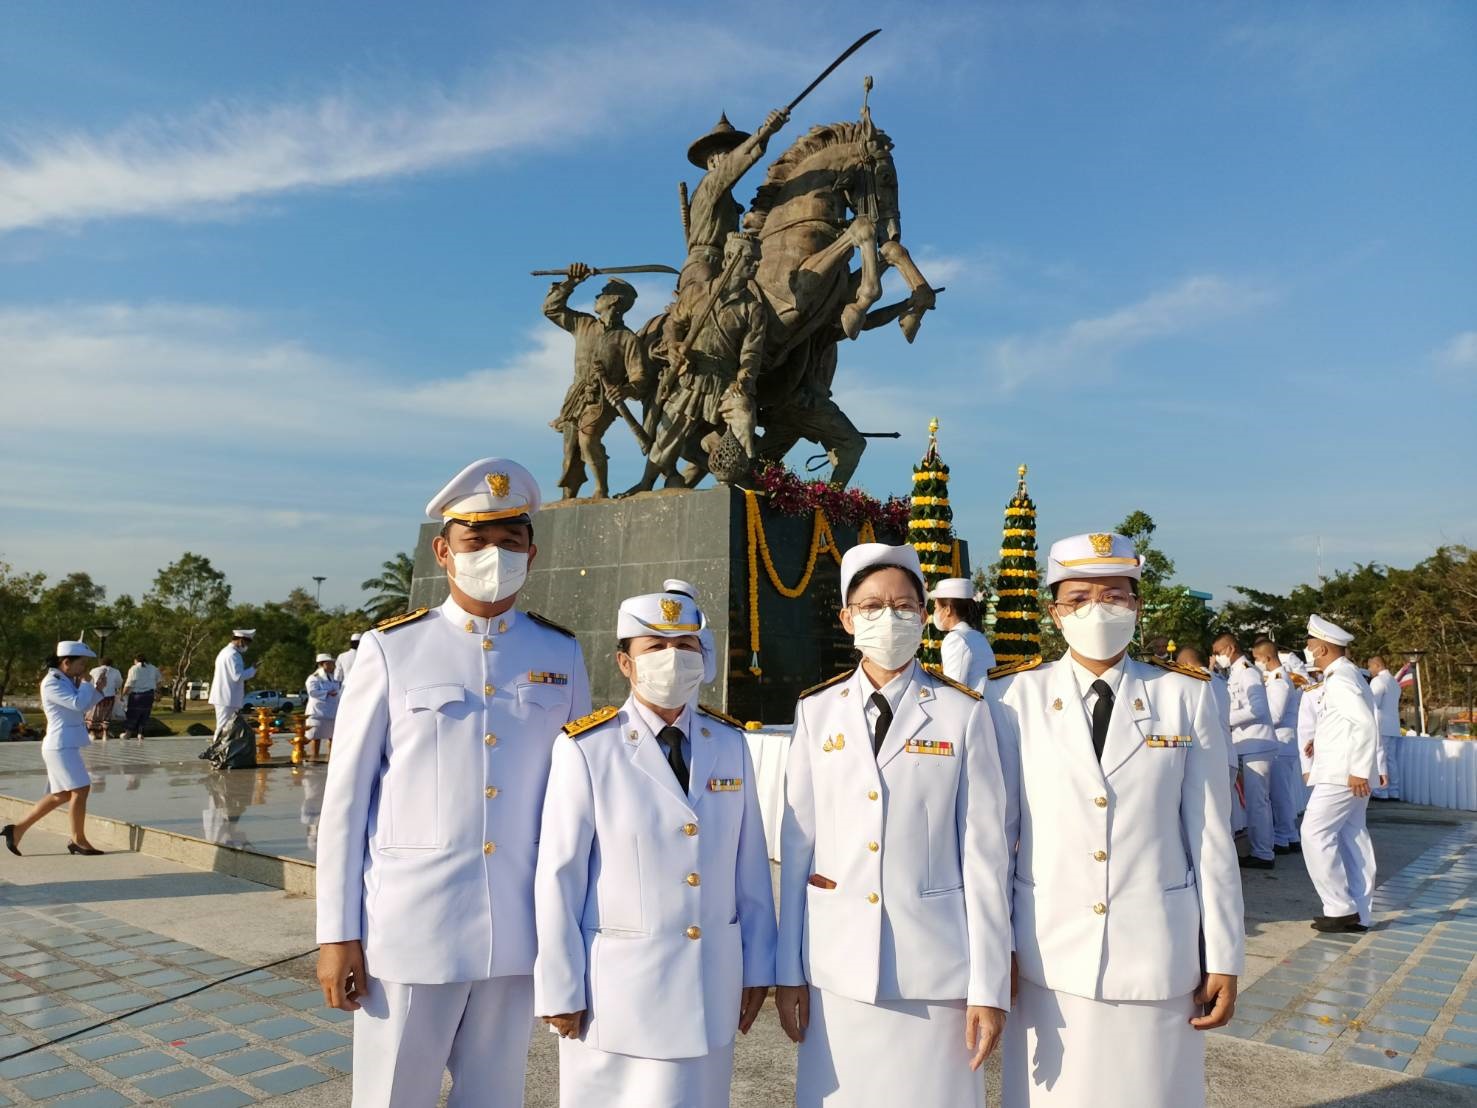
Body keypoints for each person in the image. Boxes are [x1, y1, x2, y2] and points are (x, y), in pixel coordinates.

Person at [315, 457, 592, 1108]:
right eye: (477, 539)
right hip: (411, 930)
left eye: (510, 539)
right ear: (443, 550)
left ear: (531, 550)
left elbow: (580, 800)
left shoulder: (559, 654)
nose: (494, 553)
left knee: (495, 1097)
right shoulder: (391, 650)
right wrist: (336, 934)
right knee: (393, 1097)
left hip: (519, 929)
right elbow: (346, 805)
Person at [988, 533, 1243, 1108]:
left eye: (1114, 595)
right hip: (1045, 952)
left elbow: (1210, 837)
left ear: (1137, 606)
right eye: (1077, 598)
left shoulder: (1186, 696)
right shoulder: (1010, 698)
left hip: (1156, 951)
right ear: (1054, 612)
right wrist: (994, 945)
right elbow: (996, 839)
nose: (1096, 608)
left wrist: (1224, 954)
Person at [776, 542, 1012, 1108]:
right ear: (847, 618)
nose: (890, 616)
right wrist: (789, 971)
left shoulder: (962, 711)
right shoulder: (817, 709)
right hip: (838, 967)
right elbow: (797, 845)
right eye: (873, 604)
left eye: (905, 605)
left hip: (935, 970)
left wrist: (988, 986)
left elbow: (985, 856)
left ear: (926, 614)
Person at [535, 590, 776, 1107]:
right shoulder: (587, 747)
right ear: (626, 662)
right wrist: (559, 986)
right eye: (655, 646)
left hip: (708, 987)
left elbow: (749, 866)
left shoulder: (728, 742)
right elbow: (560, 875)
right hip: (619, 996)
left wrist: (758, 966)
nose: (673, 657)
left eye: (685, 644)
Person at [544, 265, 652, 500]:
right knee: (571, 453)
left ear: (614, 300)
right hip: (576, 399)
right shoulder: (584, 324)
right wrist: (572, 281)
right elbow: (551, 309)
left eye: (602, 293)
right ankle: (568, 498)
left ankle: (600, 489)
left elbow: (640, 378)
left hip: (603, 401)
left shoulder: (628, 338)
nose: (597, 297)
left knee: (588, 438)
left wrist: (623, 390)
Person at [1301, 616, 1380, 933]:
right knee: (1351, 838)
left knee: (1313, 832)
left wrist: (1359, 770)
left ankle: (1339, 907)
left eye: (1309, 644)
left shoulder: (1340, 679)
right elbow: (1345, 723)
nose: (1307, 649)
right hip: (1343, 771)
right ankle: (1360, 911)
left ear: (1321, 647)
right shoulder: (1345, 675)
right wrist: (1316, 740)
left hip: (1342, 775)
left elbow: (1363, 723)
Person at [2, 642, 109, 857]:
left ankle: (17, 829)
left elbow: (81, 706)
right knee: (81, 789)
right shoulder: (52, 682)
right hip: (60, 745)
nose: (84, 668)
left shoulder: (65, 680)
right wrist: (88, 684)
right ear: (66, 662)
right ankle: (78, 839)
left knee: (60, 795)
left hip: (65, 744)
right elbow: (78, 704)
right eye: (81, 664)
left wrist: (96, 690)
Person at [680, 108, 789, 291]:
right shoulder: (710, 184)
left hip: (726, 263)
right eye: (727, 153)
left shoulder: (725, 197)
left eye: (734, 151)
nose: (733, 156)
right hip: (704, 267)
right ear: (713, 161)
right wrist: (766, 131)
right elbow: (734, 165)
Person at [1212, 632, 1278, 869]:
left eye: (1218, 652)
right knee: (1256, 801)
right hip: (1246, 744)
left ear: (1229, 649)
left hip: (1256, 744)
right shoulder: (1235, 674)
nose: (1217, 657)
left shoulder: (1248, 672)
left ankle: (1263, 853)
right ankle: (1261, 849)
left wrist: (1224, 719)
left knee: (1258, 802)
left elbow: (1258, 709)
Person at [1178, 643, 1242, 837]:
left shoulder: (1198, 682)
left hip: (1211, 757)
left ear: (1187, 664)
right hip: (1225, 754)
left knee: (1211, 821)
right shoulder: (1217, 680)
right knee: (1221, 816)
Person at [1251, 638, 1302, 856]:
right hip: (1281, 743)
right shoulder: (1274, 678)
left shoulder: (1279, 680)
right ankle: (1288, 835)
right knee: (1282, 794)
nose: (1256, 663)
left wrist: (1252, 719)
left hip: (1281, 743)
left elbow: (1276, 715)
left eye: (1257, 659)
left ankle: (1284, 836)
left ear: (1267, 658)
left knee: (1279, 794)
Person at [931, 577, 996, 691]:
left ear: (948, 610)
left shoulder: (955, 639)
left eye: (936, 607)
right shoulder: (978, 637)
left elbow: (954, 691)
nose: (934, 613)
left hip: (970, 707)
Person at [1367, 656, 1403, 800]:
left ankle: (1381, 791)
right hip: (1393, 725)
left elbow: (1373, 703)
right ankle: (1394, 791)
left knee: (1379, 757)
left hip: (1380, 725)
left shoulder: (1378, 681)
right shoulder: (1394, 681)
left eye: (1370, 667)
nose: (1369, 670)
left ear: (1377, 665)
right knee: (1391, 760)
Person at [208, 630, 257, 732]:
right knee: (223, 727)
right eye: (247, 643)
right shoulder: (233, 655)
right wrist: (253, 669)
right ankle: (217, 747)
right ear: (241, 641)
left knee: (227, 728)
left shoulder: (225, 652)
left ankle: (223, 747)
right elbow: (238, 676)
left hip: (225, 697)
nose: (247, 646)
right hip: (227, 698)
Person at [305, 654, 342, 748]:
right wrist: (327, 693)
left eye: (332, 664)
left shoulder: (334, 677)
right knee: (316, 738)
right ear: (322, 664)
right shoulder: (314, 677)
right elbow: (312, 692)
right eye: (329, 664)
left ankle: (330, 759)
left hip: (332, 712)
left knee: (332, 737)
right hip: (318, 713)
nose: (332, 666)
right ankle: (314, 758)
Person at [121, 653, 162, 739]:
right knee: (145, 714)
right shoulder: (153, 668)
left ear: (136, 660)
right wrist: (157, 692)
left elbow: (129, 684)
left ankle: (128, 733)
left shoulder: (134, 668)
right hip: (149, 695)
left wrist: (123, 694)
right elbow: (159, 682)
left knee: (133, 714)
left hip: (137, 695)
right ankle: (140, 733)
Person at [85, 657, 123, 741]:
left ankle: (92, 733)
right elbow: (119, 683)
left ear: (100, 663)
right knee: (106, 715)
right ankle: (105, 733)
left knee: (93, 714)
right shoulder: (116, 671)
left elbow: (90, 682)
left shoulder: (94, 670)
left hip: (96, 695)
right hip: (110, 696)